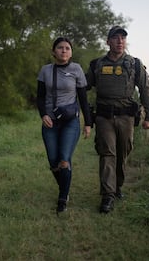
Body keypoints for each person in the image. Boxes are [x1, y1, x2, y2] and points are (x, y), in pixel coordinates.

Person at [86, 26, 149, 214]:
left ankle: (117, 187)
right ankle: (107, 195)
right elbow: (83, 86)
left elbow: (145, 89)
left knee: (123, 152)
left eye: (122, 38)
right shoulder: (97, 64)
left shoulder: (135, 64)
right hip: (104, 117)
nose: (119, 41)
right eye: (115, 38)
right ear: (108, 42)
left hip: (126, 116)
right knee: (107, 153)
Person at [36, 37, 92, 213]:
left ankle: (62, 197)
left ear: (71, 52)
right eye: (60, 48)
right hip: (50, 121)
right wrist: (43, 114)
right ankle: (65, 185)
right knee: (53, 161)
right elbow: (39, 96)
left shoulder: (76, 70)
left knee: (64, 158)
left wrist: (88, 123)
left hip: (70, 122)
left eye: (67, 48)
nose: (64, 51)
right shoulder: (45, 71)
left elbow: (83, 98)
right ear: (54, 51)